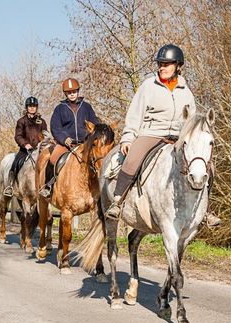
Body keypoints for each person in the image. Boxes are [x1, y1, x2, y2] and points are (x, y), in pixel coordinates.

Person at [105, 44, 221, 227]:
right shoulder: (148, 86)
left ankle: (205, 210)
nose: (162, 67)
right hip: (151, 134)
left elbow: (191, 121)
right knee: (133, 158)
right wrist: (128, 137)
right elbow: (135, 114)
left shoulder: (186, 92)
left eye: (167, 64)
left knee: (206, 165)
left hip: (178, 137)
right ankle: (117, 202)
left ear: (178, 66)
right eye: (160, 63)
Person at [39, 78, 99, 198]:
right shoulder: (60, 109)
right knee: (53, 158)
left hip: (84, 144)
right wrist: (64, 139)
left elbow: (95, 124)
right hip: (66, 144)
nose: (72, 94)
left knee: (98, 159)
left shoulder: (87, 107)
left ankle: (99, 187)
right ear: (65, 94)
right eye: (69, 92)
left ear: (78, 91)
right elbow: (55, 128)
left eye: (74, 92)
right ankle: (48, 186)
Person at [3, 96, 48, 197]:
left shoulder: (42, 122)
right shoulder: (21, 121)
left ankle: (46, 187)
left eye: (34, 106)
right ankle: (10, 186)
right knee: (15, 163)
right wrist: (25, 144)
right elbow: (18, 136)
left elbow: (45, 134)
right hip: (25, 150)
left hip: (39, 150)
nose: (32, 108)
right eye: (30, 106)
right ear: (27, 107)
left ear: (36, 107)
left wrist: (46, 141)